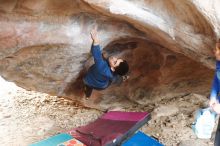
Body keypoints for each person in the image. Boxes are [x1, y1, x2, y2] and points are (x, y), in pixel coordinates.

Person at [83, 27, 129, 98]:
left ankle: (87, 94)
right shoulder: (113, 72)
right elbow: (115, 76)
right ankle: (123, 78)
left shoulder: (101, 67)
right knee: (115, 78)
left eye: (115, 62)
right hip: (103, 85)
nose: (114, 58)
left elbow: (96, 54)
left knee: (88, 86)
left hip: (91, 81)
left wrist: (95, 40)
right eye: (118, 59)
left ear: (113, 68)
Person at [208, 39, 220, 146]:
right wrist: (213, 96)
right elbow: (217, 78)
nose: (214, 52)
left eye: (217, 49)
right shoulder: (219, 62)